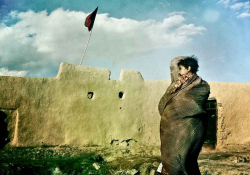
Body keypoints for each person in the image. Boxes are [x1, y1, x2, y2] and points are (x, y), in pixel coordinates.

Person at [157, 56, 210, 175]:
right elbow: (169, 100)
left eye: (181, 68)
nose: (179, 71)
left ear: (189, 68)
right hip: (171, 126)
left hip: (189, 127)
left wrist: (179, 108)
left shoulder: (201, 85)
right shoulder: (177, 83)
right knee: (171, 154)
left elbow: (192, 103)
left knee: (185, 155)